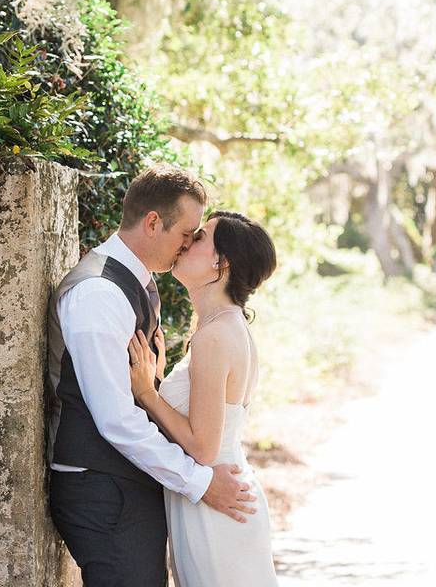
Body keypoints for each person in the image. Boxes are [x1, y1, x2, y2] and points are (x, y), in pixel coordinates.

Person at [46, 164, 257, 587]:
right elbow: (114, 419)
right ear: (153, 222)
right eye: (186, 234)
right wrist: (200, 483)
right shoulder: (99, 295)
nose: (187, 246)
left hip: (127, 481)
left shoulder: (137, 285)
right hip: (101, 488)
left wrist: (153, 387)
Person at [128, 209, 280, 587]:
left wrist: (147, 392)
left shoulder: (215, 336)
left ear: (221, 261)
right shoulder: (222, 326)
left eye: (200, 237)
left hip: (216, 501)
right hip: (214, 496)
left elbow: (203, 446)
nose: (187, 241)